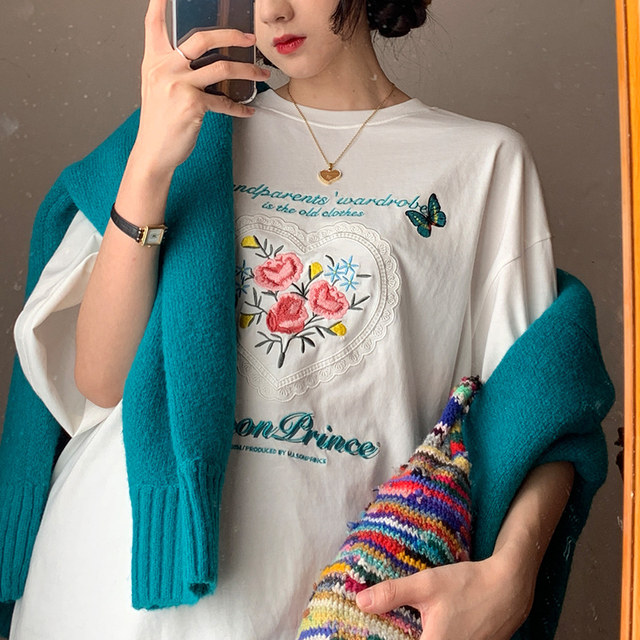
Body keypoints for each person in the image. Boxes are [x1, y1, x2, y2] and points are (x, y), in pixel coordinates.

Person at [0, 0, 613, 638]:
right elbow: (102, 380)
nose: (275, 10)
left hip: (335, 605)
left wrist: (513, 575)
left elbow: (541, 408)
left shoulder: (482, 162)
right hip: (111, 588)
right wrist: (150, 163)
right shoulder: (183, 124)